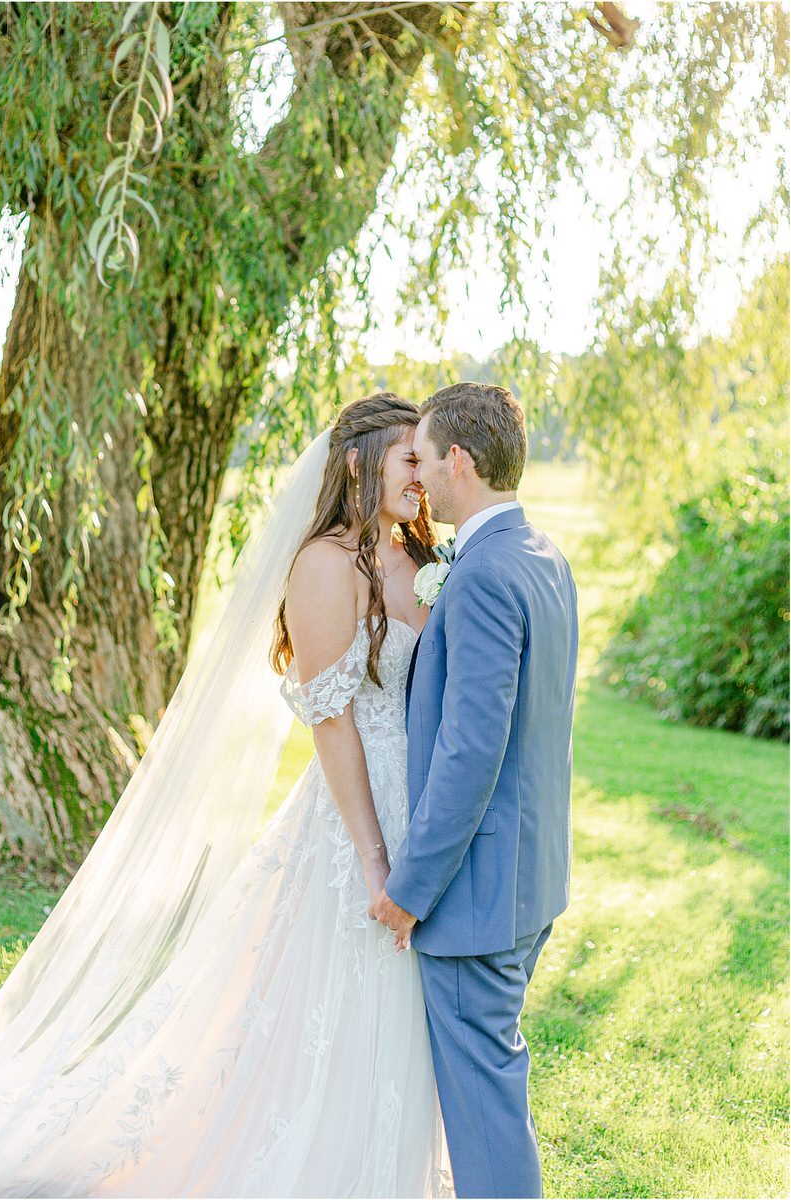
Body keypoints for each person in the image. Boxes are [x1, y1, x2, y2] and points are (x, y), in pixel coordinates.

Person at [0, 394, 454, 1199]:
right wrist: (374, 859)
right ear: (358, 461)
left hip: (422, 801)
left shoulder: (422, 559)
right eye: (409, 458)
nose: (425, 474)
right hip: (357, 820)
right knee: (339, 999)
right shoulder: (320, 565)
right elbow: (333, 724)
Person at [371, 382, 579, 1199]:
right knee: (494, 1086)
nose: (416, 475)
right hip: (529, 881)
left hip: (474, 899)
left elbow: (469, 754)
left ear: (458, 459)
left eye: (421, 456)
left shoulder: (485, 575)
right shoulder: (540, 556)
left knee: (485, 1117)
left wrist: (409, 888)